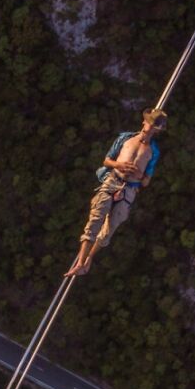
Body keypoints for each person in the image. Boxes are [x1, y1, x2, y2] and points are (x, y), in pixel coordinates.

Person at [64, 107, 167, 276]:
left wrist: (139, 175)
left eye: (155, 126)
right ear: (144, 122)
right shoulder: (125, 138)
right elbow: (106, 160)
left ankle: (88, 258)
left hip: (129, 190)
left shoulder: (153, 152)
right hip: (113, 180)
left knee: (107, 232)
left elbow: (147, 181)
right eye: (151, 123)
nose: (151, 127)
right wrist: (119, 165)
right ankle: (80, 263)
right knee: (95, 221)